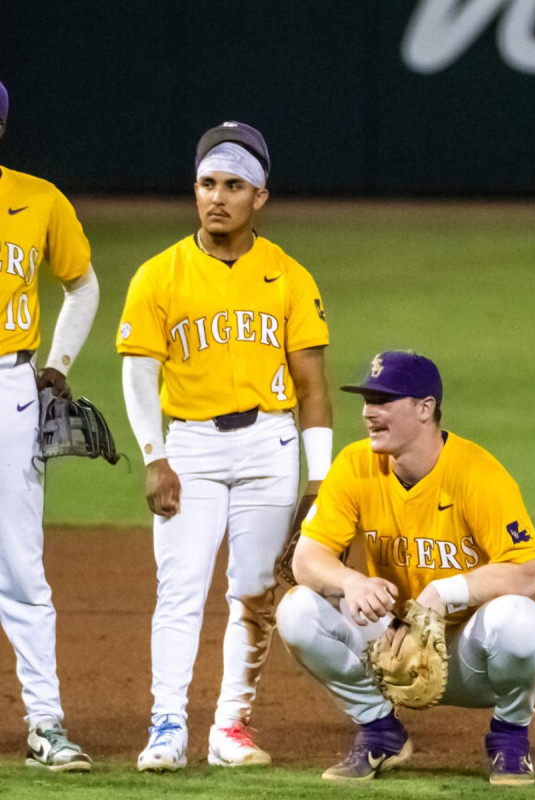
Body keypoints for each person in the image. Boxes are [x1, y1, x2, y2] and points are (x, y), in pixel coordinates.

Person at [116, 121, 332, 772]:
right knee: (179, 590)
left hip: (271, 444)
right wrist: (154, 456)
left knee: (256, 592)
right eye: (207, 183)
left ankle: (229, 725)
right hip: (190, 447)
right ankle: (166, 725)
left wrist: (319, 480)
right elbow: (137, 373)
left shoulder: (290, 277)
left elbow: (313, 387)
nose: (217, 197)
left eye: (233, 185)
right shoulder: (160, 275)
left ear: (259, 197)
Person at [276, 350, 535, 785]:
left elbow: (529, 570)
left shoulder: (477, 474)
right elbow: (305, 559)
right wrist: (351, 581)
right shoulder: (355, 464)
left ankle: (510, 737)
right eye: (366, 400)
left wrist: (446, 592)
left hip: (469, 657)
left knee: (520, 623)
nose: (369, 413)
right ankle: (380, 729)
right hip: (391, 645)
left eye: (384, 400)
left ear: (425, 409)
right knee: (297, 611)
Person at [0, 80, 98, 771]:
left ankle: (45, 723)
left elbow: (82, 284)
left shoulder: (39, 199)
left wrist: (57, 367)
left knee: (21, 567)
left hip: (10, 387)